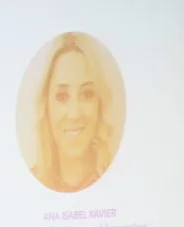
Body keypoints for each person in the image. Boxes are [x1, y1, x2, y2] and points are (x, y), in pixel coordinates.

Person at [29, 32, 119, 193]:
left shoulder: (120, 176)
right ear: (46, 106)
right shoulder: (30, 181)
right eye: (62, 97)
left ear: (100, 103)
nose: (74, 114)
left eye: (87, 94)